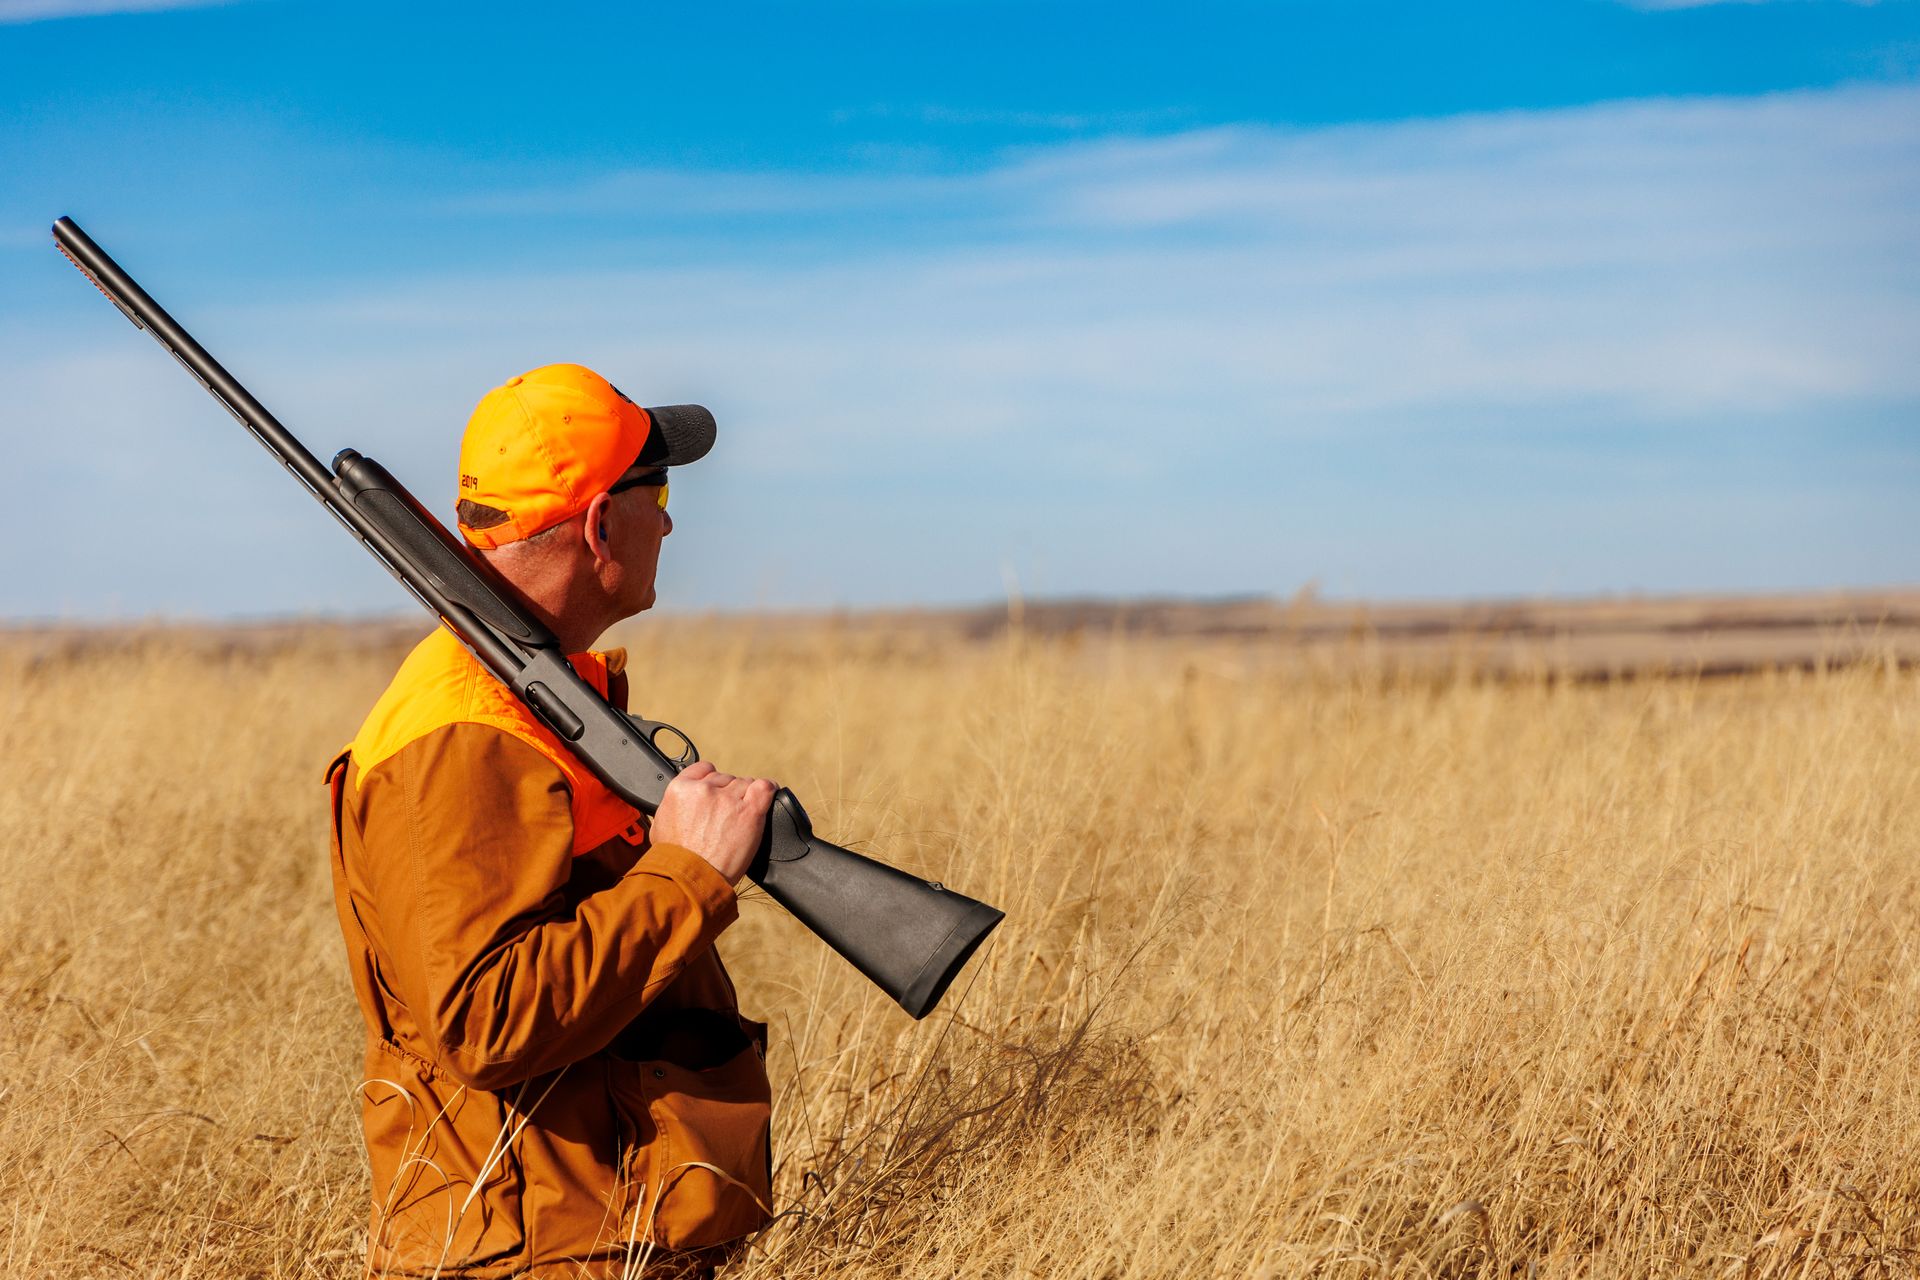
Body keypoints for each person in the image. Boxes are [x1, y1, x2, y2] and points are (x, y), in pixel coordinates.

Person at [324, 364, 777, 1279]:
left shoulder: (527, 702)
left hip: (586, 1226)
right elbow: (482, 1018)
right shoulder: (464, 736)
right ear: (602, 522)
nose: (671, 522)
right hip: (540, 1252)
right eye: (657, 495)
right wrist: (689, 873)